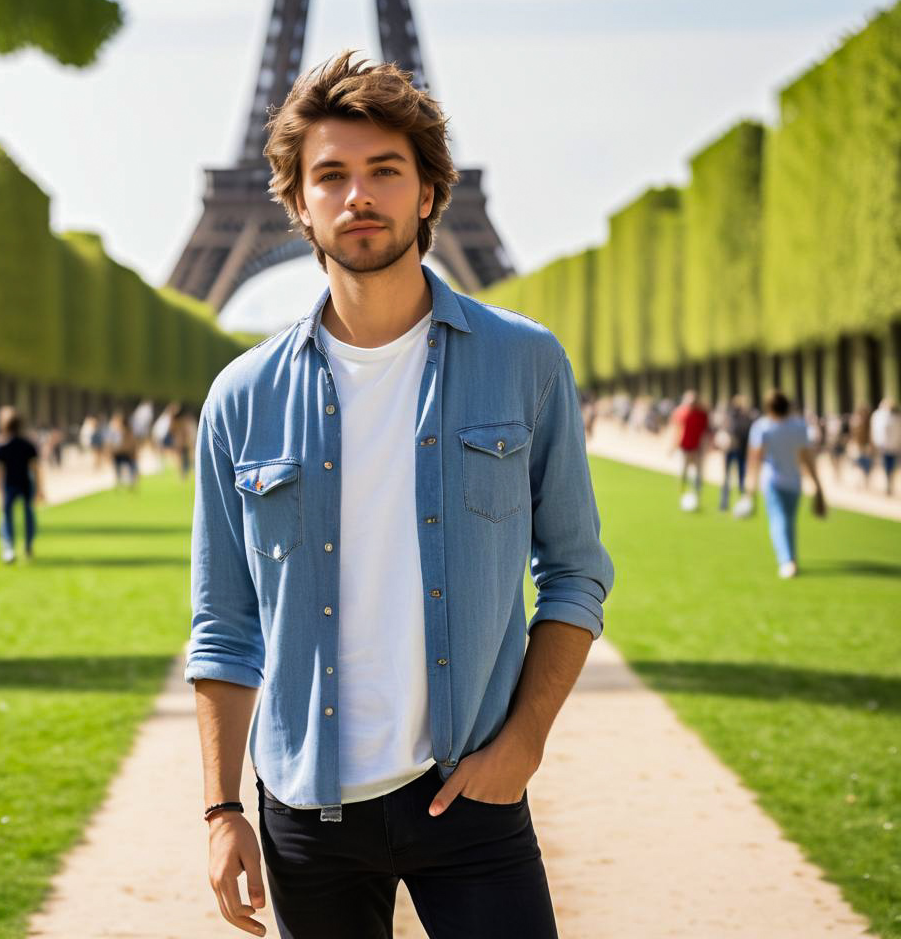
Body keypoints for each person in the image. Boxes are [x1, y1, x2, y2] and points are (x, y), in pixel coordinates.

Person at [186, 50, 615, 939]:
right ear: (298, 202)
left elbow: (574, 570)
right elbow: (225, 624)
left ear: (428, 192)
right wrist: (221, 810)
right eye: (331, 175)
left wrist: (524, 742)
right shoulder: (241, 396)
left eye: (386, 170)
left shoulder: (524, 361)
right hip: (307, 812)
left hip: (473, 798)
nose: (359, 196)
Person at [746, 389, 825, 578]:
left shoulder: (763, 427)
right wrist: (818, 488)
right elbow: (807, 458)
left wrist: (750, 489)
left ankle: (787, 560)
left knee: (778, 521)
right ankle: (791, 558)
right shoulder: (799, 427)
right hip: (794, 482)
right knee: (788, 521)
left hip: (773, 481)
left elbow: (754, 459)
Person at [0, 410, 43, 564]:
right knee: (29, 515)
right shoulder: (28, 445)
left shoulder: (2, 447)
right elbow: (35, 469)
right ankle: (28, 545)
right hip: (26, 483)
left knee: (7, 517)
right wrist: (40, 488)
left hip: (9, 484)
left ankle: (8, 547)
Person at [668, 389, 710, 509]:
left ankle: (696, 496)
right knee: (683, 473)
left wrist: (707, 447)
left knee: (698, 475)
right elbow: (676, 431)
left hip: (697, 449)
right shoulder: (681, 413)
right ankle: (682, 494)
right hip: (685, 448)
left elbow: (706, 432)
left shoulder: (702, 414)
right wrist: (672, 447)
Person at [718, 394, 754, 512]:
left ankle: (744, 503)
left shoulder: (749, 418)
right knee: (727, 478)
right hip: (731, 451)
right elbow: (726, 431)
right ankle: (724, 504)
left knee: (742, 478)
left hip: (742, 451)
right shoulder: (731, 417)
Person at [870, 397, 901, 495]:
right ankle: (888, 482)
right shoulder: (880, 416)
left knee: (891, 465)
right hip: (885, 446)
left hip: (892, 446)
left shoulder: (896, 417)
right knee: (887, 465)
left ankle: (889, 482)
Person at [106, 410, 139, 490]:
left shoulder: (128, 431)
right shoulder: (113, 431)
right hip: (117, 453)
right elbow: (109, 443)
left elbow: (132, 443)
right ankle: (119, 482)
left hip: (127, 453)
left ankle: (131, 482)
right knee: (118, 469)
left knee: (131, 467)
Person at [848, 403, 873, 488]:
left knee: (866, 465)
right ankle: (860, 483)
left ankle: (866, 482)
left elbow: (870, 435)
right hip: (858, 446)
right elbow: (853, 435)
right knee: (858, 464)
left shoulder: (869, 422)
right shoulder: (856, 421)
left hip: (866, 446)